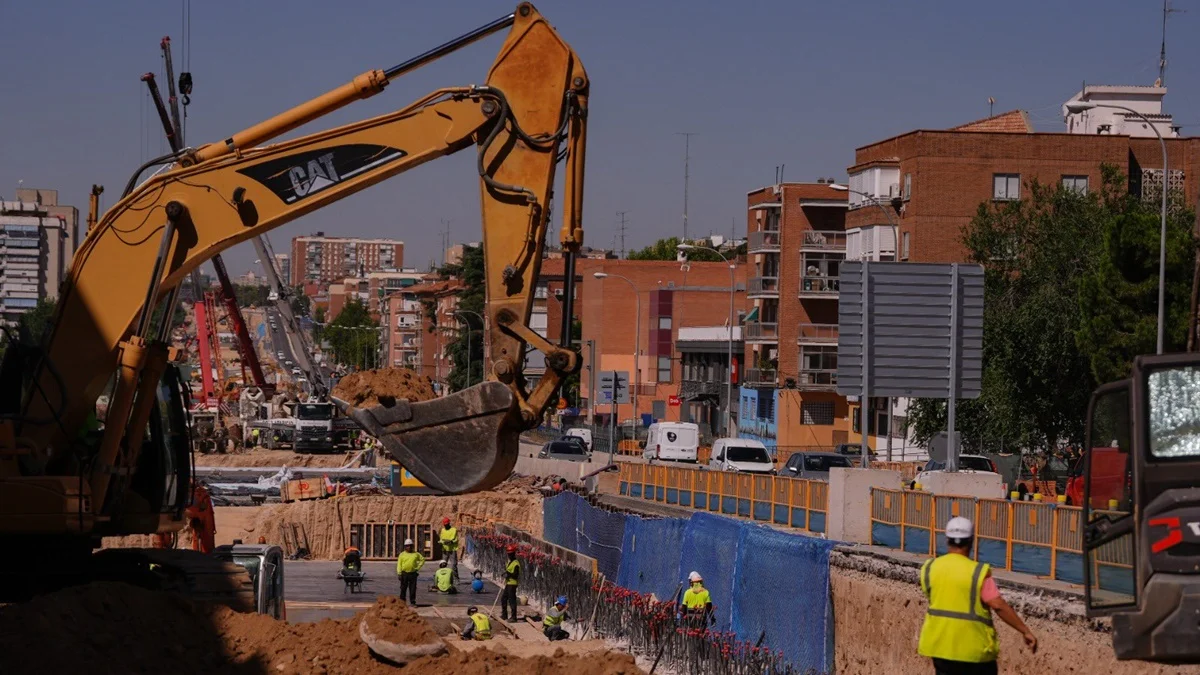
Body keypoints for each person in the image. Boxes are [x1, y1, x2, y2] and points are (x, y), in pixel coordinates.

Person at [919, 517, 1037, 675]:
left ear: (947, 539)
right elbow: (997, 605)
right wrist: (1025, 630)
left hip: (940, 647)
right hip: (973, 650)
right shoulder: (977, 572)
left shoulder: (930, 567)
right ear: (972, 541)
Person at [395, 538, 425, 605]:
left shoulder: (416, 554)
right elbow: (399, 564)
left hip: (413, 573)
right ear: (405, 547)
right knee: (403, 588)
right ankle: (402, 602)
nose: (409, 547)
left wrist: (417, 568)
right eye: (407, 546)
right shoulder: (402, 555)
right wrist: (399, 573)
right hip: (404, 574)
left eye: (410, 545)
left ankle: (413, 602)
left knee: (412, 589)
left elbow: (422, 560)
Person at [501, 544, 520, 622]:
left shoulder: (516, 564)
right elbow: (508, 571)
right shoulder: (509, 562)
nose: (509, 555)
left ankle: (513, 617)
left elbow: (515, 575)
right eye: (508, 554)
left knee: (512, 600)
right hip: (508, 583)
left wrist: (508, 574)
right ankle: (504, 615)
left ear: (513, 554)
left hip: (512, 584)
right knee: (503, 599)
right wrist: (505, 574)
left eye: (510, 554)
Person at [439, 517, 460, 584]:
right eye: (444, 524)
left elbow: (455, 539)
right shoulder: (443, 530)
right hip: (445, 550)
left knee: (453, 565)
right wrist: (442, 542)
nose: (446, 525)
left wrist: (450, 541)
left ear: (449, 523)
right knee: (443, 564)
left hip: (452, 550)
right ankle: (442, 578)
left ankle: (456, 579)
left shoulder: (453, 530)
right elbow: (441, 539)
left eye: (447, 524)